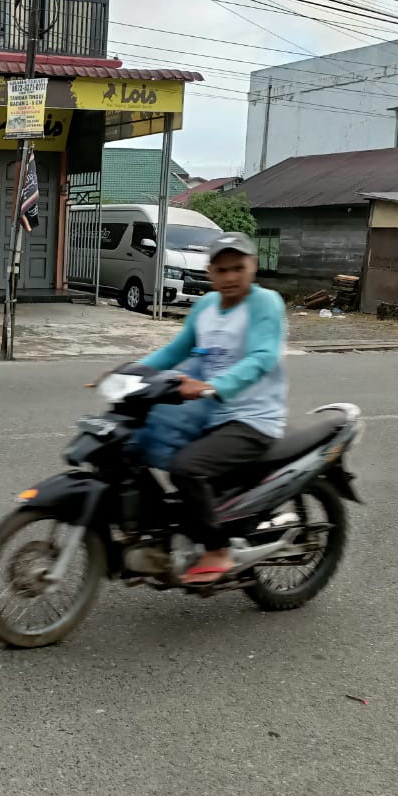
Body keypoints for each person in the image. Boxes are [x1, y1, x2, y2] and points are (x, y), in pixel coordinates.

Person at [138, 232, 287, 585]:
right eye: (222, 269)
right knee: (138, 443)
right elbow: (175, 351)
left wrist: (212, 386)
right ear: (210, 272)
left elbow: (262, 357)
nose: (231, 276)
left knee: (186, 468)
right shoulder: (206, 307)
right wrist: (130, 373)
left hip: (254, 419)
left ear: (253, 266)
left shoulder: (265, 303)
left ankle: (217, 549)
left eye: (238, 268)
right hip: (210, 414)